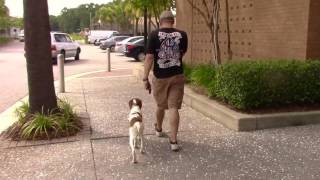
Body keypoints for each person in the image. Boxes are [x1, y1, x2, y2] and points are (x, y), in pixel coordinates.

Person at [143, 10, 188, 151]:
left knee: (161, 105)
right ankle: (174, 141)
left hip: (160, 77)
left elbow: (149, 57)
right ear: (172, 21)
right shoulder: (183, 34)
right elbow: (182, 53)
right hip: (177, 75)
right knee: (173, 107)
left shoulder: (154, 35)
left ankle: (159, 128)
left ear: (160, 21)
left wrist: (145, 77)